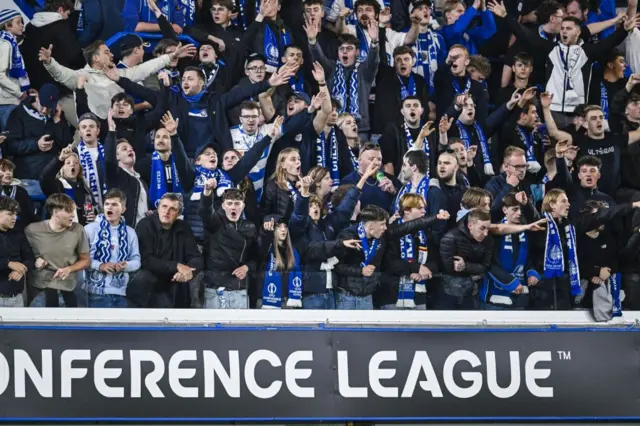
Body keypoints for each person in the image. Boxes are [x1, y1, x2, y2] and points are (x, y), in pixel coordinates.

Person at [529, 189, 639, 310]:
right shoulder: (539, 225)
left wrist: (632, 205)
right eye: (564, 201)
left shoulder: (571, 226)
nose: (568, 204)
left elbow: (603, 215)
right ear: (552, 205)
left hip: (564, 286)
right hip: (542, 285)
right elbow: (530, 251)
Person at [38, 38, 196, 119]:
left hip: (121, 126)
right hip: (95, 129)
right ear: (96, 58)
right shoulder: (81, 76)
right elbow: (60, 73)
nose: (112, 54)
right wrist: (49, 62)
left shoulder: (118, 74)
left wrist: (171, 56)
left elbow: (145, 68)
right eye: (106, 52)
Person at [308, 22, 380, 142]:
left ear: (357, 52)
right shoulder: (331, 68)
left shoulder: (364, 71)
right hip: (334, 125)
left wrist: (374, 42)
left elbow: (373, 61)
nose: (344, 52)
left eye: (349, 49)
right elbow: (318, 58)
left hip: (359, 128)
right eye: (341, 49)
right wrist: (312, 41)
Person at [128, 192, 202, 308]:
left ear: (178, 214)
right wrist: (176, 266)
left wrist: (188, 272)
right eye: (164, 206)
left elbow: (196, 257)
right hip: (149, 279)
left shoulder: (183, 227)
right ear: (158, 208)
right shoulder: (145, 224)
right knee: (145, 278)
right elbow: (146, 259)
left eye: (172, 209)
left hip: (175, 278)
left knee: (193, 280)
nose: (167, 212)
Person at [380, 193, 449, 310]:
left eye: (424, 208)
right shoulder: (392, 231)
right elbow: (388, 263)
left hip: (419, 295)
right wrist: (415, 268)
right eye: (419, 208)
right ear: (407, 210)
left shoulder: (426, 233)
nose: (424, 211)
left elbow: (434, 261)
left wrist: (423, 272)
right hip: (393, 295)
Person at [25, 193, 91, 307]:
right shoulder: (32, 230)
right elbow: (23, 255)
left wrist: (69, 269)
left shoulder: (77, 230)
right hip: (41, 289)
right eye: (69, 211)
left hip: (67, 287)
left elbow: (86, 260)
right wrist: (35, 260)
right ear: (55, 212)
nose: (73, 215)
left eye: (74, 211)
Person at [199, 186, 256, 309]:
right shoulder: (215, 222)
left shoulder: (250, 227)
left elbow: (257, 257)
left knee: (239, 328)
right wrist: (208, 192)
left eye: (237, 203)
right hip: (214, 288)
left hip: (239, 288)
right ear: (223, 206)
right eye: (229, 203)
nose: (233, 207)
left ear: (243, 206)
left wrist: (247, 267)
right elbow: (205, 211)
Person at [83, 188, 140, 308]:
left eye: (114, 204)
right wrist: (100, 266)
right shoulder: (90, 229)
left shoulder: (130, 232)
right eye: (107, 204)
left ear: (123, 209)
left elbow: (136, 261)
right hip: (95, 293)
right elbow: (82, 258)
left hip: (121, 292)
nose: (109, 207)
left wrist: (125, 265)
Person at [479, 193, 537, 310]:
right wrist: (511, 283)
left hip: (519, 296)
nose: (519, 213)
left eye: (520, 210)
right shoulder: (494, 232)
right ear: (505, 210)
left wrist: (531, 273)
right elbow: (489, 264)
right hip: (496, 297)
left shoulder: (525, 231)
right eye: (515, 209)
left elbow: (528, 258)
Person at [5, 83, 73, 180]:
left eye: (49, 107)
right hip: (28, 176)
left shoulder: (57, 116)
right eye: (42, 105)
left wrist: (57, 121)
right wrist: (36, 145)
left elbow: (67, 145)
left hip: (52, 176)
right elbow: (10, 146)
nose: (45, 110)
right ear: (37, 97)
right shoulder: (19, 113)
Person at [334, 204, 389, 309]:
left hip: (367, 296)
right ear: (371, 225)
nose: (385, 228)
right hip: (346, 297)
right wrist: (360, 271)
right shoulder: (347, 236)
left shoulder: (380, 238)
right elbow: (337, 266)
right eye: (382, 224)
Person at [577, 200, 622, 321]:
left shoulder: (607, 237)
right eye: (599, 216)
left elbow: (614, 261)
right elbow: (578, 265)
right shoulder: (579, 240)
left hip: (606, 279)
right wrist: (595, 272)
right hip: (585, 280)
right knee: (592, 285)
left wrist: (604, 273)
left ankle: (611, 315)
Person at [372, 46, 430, 136]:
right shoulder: (385, 80)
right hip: (390, 132)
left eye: (406, 59)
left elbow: (425, 107)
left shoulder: (420, 81)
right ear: (394, 63)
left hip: (414, 129)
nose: (403, 62)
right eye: (398, 60)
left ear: (413, 62)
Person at [394, 149, 447, 242]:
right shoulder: (402, 190)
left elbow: (438, 227)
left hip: (424, 247)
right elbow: (393, 214)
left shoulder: (434, 191)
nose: (402, 169)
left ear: (414, 167)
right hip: (400, 244)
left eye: (404, 165)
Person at [39, 146, 97, 225]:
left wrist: (94, 216)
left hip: (82, 232)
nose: (72, 165)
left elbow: (93, 210)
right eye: (68, 162)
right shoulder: (57, 186)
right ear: (61, 168)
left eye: (76, 163)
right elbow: (44, 178)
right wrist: (60, 159)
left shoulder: (85, 188)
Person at [380, 96, 434, 176]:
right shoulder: (392, 130)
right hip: (403, 181)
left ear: (421, 111)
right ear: (402, 111)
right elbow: (388, 163)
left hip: (428, 181)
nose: (412, 108)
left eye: (415, 105)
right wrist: (393, 184)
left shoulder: (430, 130)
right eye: (408, 106)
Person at [257, 218, 303, 309]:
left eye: (285, 227)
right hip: (267, 300)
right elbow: (262, 246)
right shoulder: (267, 249)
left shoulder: (293, 252)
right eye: (279, 227)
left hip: (288, 301)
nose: (283, 230)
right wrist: (266, 233)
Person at [485, 146, 539, 223]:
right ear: (506, 166)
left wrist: (527, 204)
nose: (522, 170)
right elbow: (491, 214)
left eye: (524, 166)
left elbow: (534, 218)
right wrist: (509, 186)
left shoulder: (525, 184)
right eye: (517, 166)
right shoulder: (493, 183)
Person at [340, 143, 399, 212]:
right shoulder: (349, 181)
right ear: (359, 160)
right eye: (371, 159)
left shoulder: (390, 179)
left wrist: (394, 192)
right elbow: (343, 210)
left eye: (379, 159)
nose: (376, 163)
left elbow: (404, 203)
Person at [0, 195, 35, 307]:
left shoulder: (18, 234)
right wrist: (8, 263)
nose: (14, 218)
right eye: (10, 214)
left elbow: (30, 259)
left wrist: (21, 269)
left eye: (16, 214)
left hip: (16, 298)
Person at [0, 9, 29, 128]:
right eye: (18, 22)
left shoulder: (11, 42)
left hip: (10, 99)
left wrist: (24, 89)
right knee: (11, 138)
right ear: (7, 26)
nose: (22, 25)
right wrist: (19, 93)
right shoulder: (5, 44)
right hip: (6, 101)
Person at [261, 147, 302, 221]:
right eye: (293, 159)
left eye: (299, 159)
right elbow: (265, 213)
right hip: (281, 227)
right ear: (283, 165)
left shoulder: (304, 184)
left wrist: (304, 191)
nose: (298, 162)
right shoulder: (272, 185)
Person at [0, 159, 37, 231]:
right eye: (4, 171)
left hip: (18, 228)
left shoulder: (21, 191)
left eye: (10, 170)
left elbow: (30, 212)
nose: (8, 173)